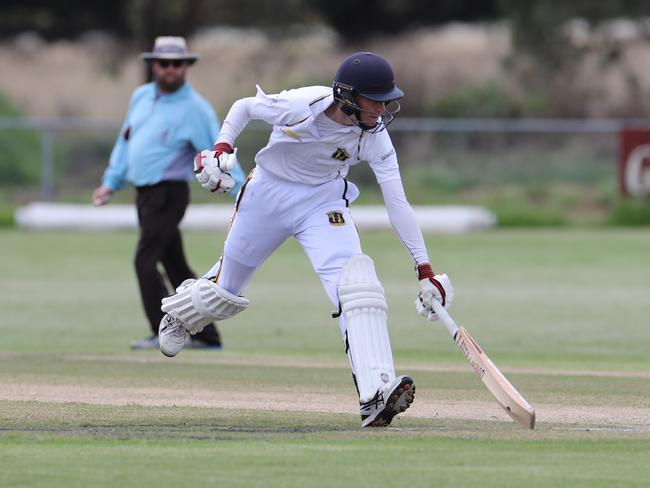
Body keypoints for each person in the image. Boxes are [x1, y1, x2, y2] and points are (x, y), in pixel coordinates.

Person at [158, 52, 454, 427]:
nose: (382, 109)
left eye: (385, 100)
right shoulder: (302, 105)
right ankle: (181, 312)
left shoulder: (375, 137)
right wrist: (222, 147)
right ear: (347, 96)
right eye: (374, 100)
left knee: (356, 287)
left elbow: (398, 203)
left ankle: (376, 394)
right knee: (225, 290)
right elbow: (244, 107)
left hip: (323, 202)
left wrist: (424, 268)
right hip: (268, 194)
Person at [92, 36, 244, 350]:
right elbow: (126, 141)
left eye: (178, 63)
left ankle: (161, 329)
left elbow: (219, 151)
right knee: (175, 266)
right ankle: (207, 335)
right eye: (165, 63)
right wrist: (112, 181)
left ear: (186, 66)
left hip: (168, 194)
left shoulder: (196, 109)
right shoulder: (141, 97)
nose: (171, 69)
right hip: (144, 194)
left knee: (144, 262)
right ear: (153, 65)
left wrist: (243, 193)